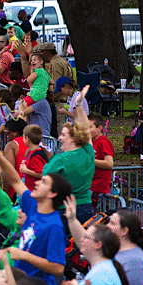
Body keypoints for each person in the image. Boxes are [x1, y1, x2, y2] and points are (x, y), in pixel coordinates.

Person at [0, 134, 71, 285]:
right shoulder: (33, 206)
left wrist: (23, 255)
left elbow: (58, 267)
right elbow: (15, 181)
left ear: (52, 194)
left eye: (44, 182)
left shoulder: (54, 225)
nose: (37, 182)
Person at [41, 85, 95, 223]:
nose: (59, 138)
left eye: (63, 135)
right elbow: (86, 129)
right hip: (86, 209)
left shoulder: (59, 160)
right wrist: (78, 104)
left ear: (73, 138)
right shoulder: (88, 152)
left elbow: (44, 183)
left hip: (63, 210)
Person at [64, 197, 126, 285]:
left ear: (98, 245)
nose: (81, 239)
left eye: (86, 237)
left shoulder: (101, 276)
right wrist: (72, 219)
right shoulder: (102, 267)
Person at [106, 209, 143, 285]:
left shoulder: (135, 261)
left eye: (113, 223)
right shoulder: (114, 250)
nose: (107, 226)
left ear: (124, 231)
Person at [88, 114, 115, 209]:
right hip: (90, 186)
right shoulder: (90, 142)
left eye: (90, 127)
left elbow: (109, 164)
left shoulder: (103, 142)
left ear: (99, 128)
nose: (87, 130)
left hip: (98, 189)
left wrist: (90, 161)